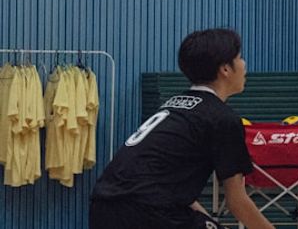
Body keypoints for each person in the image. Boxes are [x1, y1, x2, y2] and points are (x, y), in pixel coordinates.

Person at [89, 29, 274, 229]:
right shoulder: (222, 118)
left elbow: (172, 190)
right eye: (239, 58)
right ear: (225, 70)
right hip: (147, 213)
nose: (244, 65)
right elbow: (237, 201)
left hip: (103, 208)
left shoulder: (174, 105)